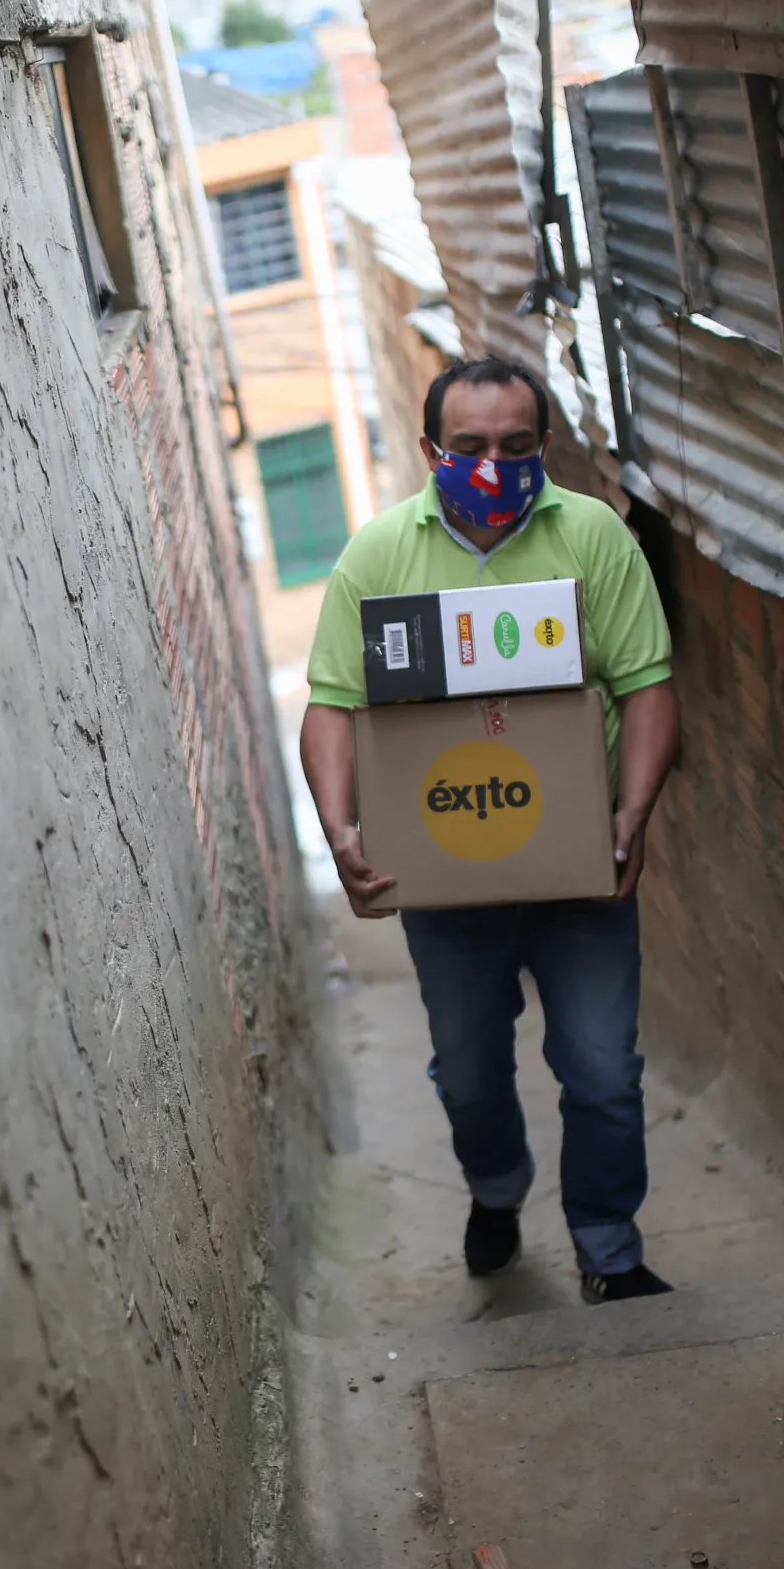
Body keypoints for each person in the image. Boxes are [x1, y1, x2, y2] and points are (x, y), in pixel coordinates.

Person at [298, 356, 682, 1303]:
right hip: (447, 878)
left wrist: (632, 814)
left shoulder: (591, 538)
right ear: (430, 450)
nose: (492, 463)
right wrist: (342, 831)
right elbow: (333, 706)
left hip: (578, 870)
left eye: (515, 446)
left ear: (544, 446)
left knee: (600, 1068)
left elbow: (648, 688)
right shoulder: (379, 557)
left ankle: (608, 1245)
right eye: (467, 448)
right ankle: (497, 1189)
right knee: (470, 1073)